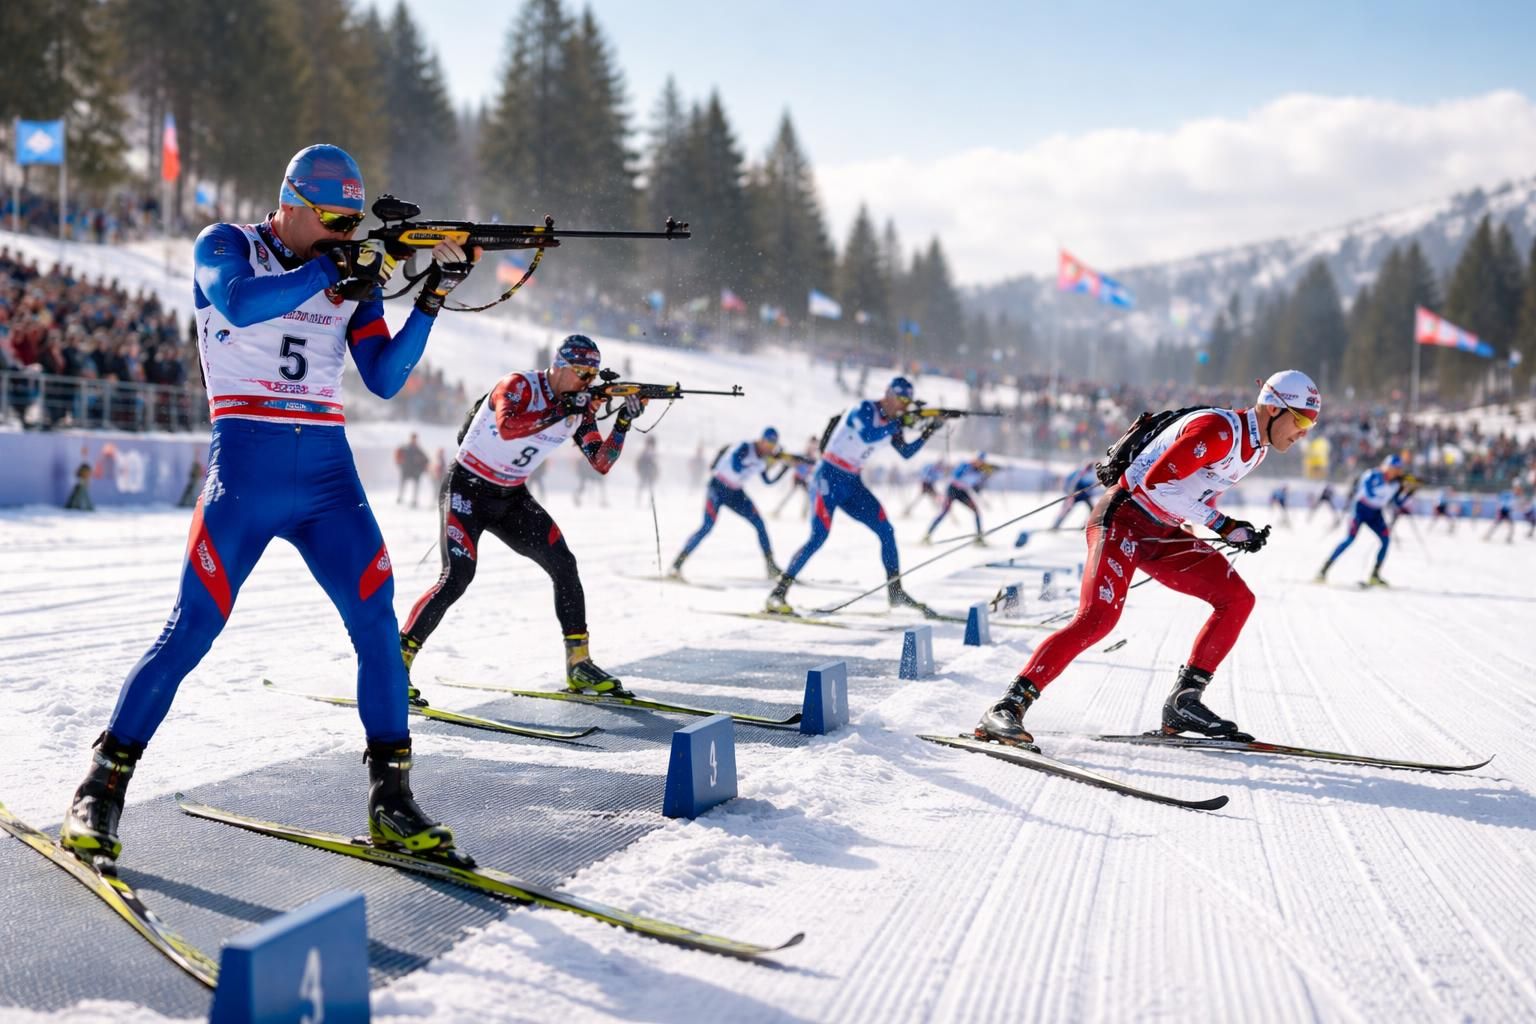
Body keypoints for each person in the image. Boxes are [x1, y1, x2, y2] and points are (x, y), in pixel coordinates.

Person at [59, 144, 478, 866]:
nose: (348, 233)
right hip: (244, 474)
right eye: (335, 219)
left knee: (379, 625)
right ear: (291, 203)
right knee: (192, 629)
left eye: (355, 222)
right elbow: (238, 303)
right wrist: (327, 270)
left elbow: (383, 379)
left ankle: (393, 799)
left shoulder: (350, 274)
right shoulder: (227, 245)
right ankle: (102, 786)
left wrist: (432, 297)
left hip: (327, 481)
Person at [974, 370, 1320, 749]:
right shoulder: (1218, 431)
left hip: (1163, 533)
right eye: (1301, 420)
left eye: (1311, 424)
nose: (1304, 432)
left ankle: (1183, 703)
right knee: (1098, 619)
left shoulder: (1256, 449)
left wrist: (1226, 528)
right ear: (1272, 408)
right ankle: (1007, 707)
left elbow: (1193, 494)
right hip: (1122, 519)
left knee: (1238, 600)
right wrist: (1222, 525)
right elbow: (1154, 483)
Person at [399, 335, 645, 701]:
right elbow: (508, 426)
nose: (587, 382)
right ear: (559, 365)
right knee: (457, 577)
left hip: (510, 496)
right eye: (581, 373)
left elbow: (602, 462)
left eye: (593, 376)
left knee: (564, 564)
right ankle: (395, 664)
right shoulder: (518, 385)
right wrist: (568, 408)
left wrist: (623, 420)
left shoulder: (578, 405)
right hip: (467, 487)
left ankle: (579, 664)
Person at [766, 376, 941, 615]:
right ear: (888, 393)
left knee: (886, 531)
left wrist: (928, 430)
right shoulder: (864, 409)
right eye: (900, 399)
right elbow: (868, 435)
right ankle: (778, 594)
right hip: (827, 476)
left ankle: (896, 591)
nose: (902, 405)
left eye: (907, 402)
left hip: (852, 481)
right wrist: (901, 422)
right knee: (819, 537)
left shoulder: (894, 420)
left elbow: (906, 453)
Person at [669, 428, 789, 580]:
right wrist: (764, 462)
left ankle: (771, 566)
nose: (770, 448)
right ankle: (676, 565)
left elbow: (768, 482)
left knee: (760, 524)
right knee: (706, 527)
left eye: (773, 445)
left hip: (736, 494)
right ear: (762, 440)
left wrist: (784, 468)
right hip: (717, 488)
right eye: (769, 443)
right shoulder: (745, 447)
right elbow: (736, 466)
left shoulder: (763, 457)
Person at [1316, 454, 1416, 586]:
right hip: (1360, 509)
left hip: (1375, 513)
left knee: (1385, 540)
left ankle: (1375, 575)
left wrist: (1409, 492)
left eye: (1398, 469)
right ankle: (1323, 570)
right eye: (1393, 468)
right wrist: (1393, 487)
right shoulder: (1372, 475)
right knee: (1349, 539)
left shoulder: (1396, 483)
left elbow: (1397, 503)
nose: (1395, 472)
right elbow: (1369, 492)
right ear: (1386, 467)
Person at [922, 453, 997, 544]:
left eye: (981, 461)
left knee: (976, 511)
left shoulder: (980, 471)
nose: (979, 462)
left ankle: (979, 537)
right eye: (978, 460)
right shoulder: (965, 465)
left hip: (962, 492)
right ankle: (927, 535)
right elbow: (955, 475)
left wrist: (984, 476)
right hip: (952, 490)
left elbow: (975, 486)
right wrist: (968, 472)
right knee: (944, 512)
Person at [774, 436, 819, 518]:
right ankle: (777, 511)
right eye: (812, 445)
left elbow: (812, 469)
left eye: (815, 445)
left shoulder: (813, 458)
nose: (813, 447)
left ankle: (804, 515)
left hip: (804, 480)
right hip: (797, 478)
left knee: (808, 497)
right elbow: (794, 462)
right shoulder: (804, 456)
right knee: (788, 495)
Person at [1049, 460, 1100, 530]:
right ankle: (1055, 525)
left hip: (1084, 495)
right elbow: (1071, 482)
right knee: (1066, 509)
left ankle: (1085, 525)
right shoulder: (1080, 472)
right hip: (1075, 495)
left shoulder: (1092, 474)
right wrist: (1070, 493)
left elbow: (1092, 487)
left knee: (1092, 510)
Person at [395, 432, 429, 506]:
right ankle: (400, 498)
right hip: (406, 470)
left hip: (415, 471)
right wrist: (401, 465)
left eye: (415, 438)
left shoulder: (418, 449)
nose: (414, 440)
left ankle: (414, 500)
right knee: (403, 484)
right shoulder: (405, 448)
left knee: (416, 486)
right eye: (413, 438)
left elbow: (426, 459)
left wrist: (421, 465)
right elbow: (398, 457)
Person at [634, 436, 659, 507]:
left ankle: (649, 503)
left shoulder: (653, 453)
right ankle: (639, 502)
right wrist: (640, 470)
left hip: (649, 472)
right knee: (642, 487)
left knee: (650, 488)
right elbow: (639, 462)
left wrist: (655, 472)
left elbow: (655, 465)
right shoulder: (644, 452)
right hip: (644, 472)